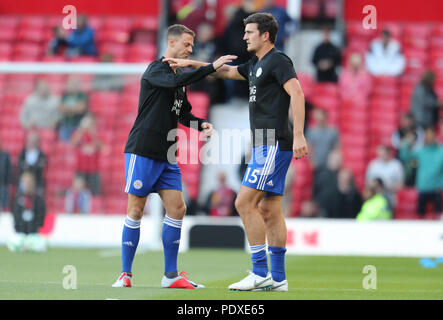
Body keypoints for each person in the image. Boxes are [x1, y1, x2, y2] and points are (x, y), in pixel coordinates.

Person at [164, 13, 308, 291]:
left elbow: (297, 93)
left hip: (273, 142)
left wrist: (300, 133)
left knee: (243, 203)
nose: (244, 36)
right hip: (264, 143)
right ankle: (277, 279)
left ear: (265, 35)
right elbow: (227, 71)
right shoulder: (255, 64)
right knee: (270, 209)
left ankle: (259, 272)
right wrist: (190, 64)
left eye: (250, 32)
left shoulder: (278, 61)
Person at [111, 24, 236, 289]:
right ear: (171, 42)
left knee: (177, 208)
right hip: (143, 150)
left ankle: (170, 276)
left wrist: (200, 124)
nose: (190, 49)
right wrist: (210, 67)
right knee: (136, 209)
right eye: (187, 45)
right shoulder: (157, 70)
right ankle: (125, 274)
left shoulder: (178, 81)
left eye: (192, 46)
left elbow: (183, 114)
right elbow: (177, 80)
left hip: (167, 155)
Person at [399, 127, 443, 218]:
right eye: (427, 135)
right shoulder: (421, 151)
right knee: (420, 216)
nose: (429, 137)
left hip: (437, 188)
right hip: (423, 187)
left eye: (431, 135)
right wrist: (408, 142)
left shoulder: (441, 151)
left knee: (438, 215)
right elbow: (405, 156)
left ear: (435, 136)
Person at [7, 171, 47, 252]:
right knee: (15, 241)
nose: (27, 184)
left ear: (33, 183)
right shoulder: (17, 199)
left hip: (33, 234)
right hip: (20, 234)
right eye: (25, 182)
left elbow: (41, 217)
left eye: (29, 182)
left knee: (40, 244)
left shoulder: (38, 200)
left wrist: (36, 230)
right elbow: (15, 216)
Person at [71, 114, 102, 195]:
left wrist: (92, 134)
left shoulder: (97, 133)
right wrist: (81, 130)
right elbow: (73, 144)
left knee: (95, 193)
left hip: (93, 169)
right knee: (78, 193)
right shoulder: (79, 133)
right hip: (80, 168)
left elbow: (100, 146)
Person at [391, 113, 424, 186]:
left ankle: (413, 184)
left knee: (415, 165)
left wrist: (410, 146)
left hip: (414, 158)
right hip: (401, 158)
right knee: (398, 166)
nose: (408, 123)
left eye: (409, 121)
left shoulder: (418, 131)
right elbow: (397, 145)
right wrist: (407, 142)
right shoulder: (398, 132)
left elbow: (420, 146)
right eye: (406, 121)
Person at [57, 76, 89, 141]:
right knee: (64, 145)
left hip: (78, 125)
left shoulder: (82, 95)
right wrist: (74, 109)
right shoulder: (65, 95)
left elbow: (80, 109)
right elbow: (60, 108)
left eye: (75, 84)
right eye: (71, 83)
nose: (73, 85)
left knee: (78, 143)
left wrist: (67, 109)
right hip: (66, 124)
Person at [0, 139, 12, 210]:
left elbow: (9, 171)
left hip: (3, 185)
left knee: (4, 207)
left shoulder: (5, 156)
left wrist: (7, 184)